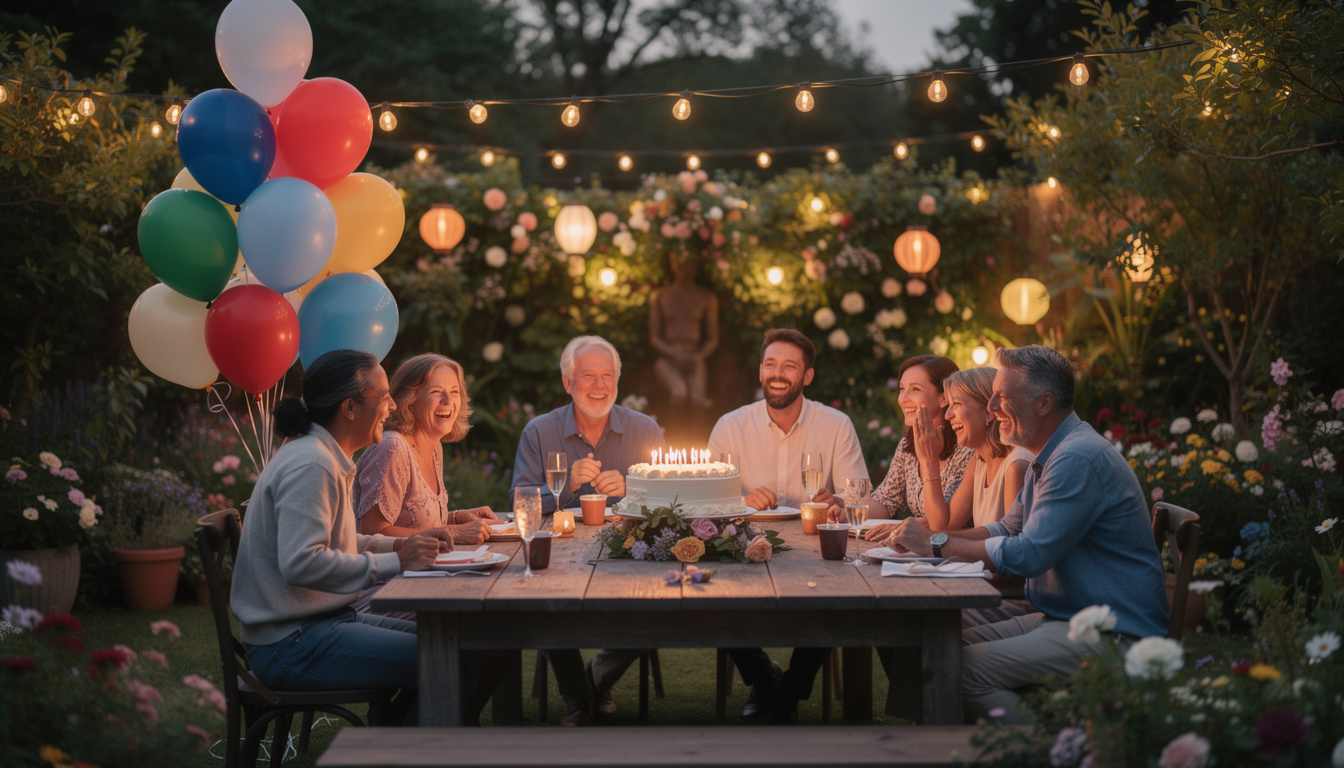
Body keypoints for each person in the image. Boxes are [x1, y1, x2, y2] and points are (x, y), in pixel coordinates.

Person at [886, 345, 1169, 723]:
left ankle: (1047, 750)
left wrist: (936, 545)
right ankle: (927, 744)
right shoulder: (1050, 453)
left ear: (1043, 403)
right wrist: (931, 544)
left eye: (1002, 398)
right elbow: (1008, 528)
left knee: (960, 669)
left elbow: (1029, 554)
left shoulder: (1075, 459)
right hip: (1065, 615)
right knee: (937, 647)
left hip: (1110, 631)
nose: (990, 408)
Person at [231, 350, 504, 724]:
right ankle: (402, 752)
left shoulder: (324, 455)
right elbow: (302, 563)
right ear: (349, 408)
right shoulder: (312, 464)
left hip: (318, 624)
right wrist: (395, 562)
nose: (393, 406)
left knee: (452, 650)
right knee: (451, 661)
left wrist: (401, 545)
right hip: (291, 643)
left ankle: (395, 745)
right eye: (383, 397)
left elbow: (343, 541)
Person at [707, 328, 870, 722]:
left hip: (814, 547)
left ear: (807, 376)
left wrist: (839, 502)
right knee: (712, 594)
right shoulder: (731, 425)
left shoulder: (835, 425)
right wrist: (738, 500)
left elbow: (858, 498)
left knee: (839, 597)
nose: (777, 373)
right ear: (760, 371)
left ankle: (791, 691)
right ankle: (764, 679)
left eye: (789, 366)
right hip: (744, 546)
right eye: (770, 364)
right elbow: (705, 498)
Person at [510, 335, 666, 725]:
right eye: (588, 376)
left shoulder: (643, 428)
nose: (599, 386)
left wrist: (635, 489)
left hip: (631, 554)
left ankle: (587, 687)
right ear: (568, 383)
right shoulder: (539, 431)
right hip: (559, 554)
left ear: (617, 381)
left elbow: (673, 495)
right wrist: (562, 487)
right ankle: (581, 696)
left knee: (657, 606)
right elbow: (519, 500)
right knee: (539, 606)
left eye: (607, 376)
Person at [354, 353, 500, 542]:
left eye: (454, 391)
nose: (448, 400)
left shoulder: (434, 447)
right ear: (410, 401)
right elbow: (373, 533)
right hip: (389, 570)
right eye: (436, 391)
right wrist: (454, 533)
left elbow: (411, 520)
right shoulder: (393, 447)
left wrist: (456, 518)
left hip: (425, 567)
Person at [868, 355, 977, 528]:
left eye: (915, 389)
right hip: (921, 548)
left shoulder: (966, 449)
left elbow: (945, 521)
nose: (903, 399)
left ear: (943, 398)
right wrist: (845, 510)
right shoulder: (907, 446)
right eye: (902, 389)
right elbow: (885, 501)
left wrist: (904, 526)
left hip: (955, 548)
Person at [649, 254, 718, 414]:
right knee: (679, 393)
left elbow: (712, 338)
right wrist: (672, 352)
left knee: (698, 399)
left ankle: (699, 438)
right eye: (678, 260)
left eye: (689, 262)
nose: (683, 266)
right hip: (668, 357)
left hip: (694, 356)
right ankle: (671, 436)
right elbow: (654, 336)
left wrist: (698, 356)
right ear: (672, 262)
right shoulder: (660, 296)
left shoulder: (706, 297)